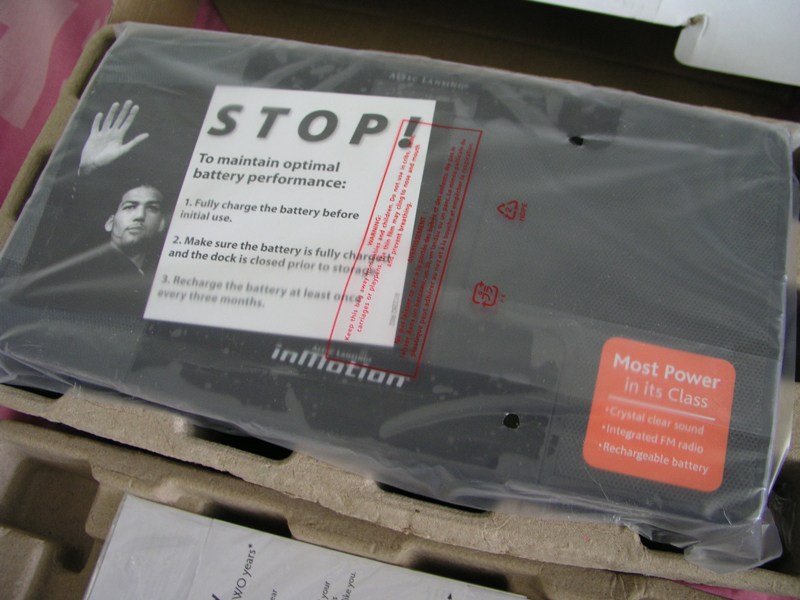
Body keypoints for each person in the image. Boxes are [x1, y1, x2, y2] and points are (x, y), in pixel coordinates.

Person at [6, 100, 167, 314]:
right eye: (130, 207)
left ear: (162, 224)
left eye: (152, 208)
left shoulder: (157, 279)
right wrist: (88, 171)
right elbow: (71, 219)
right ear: (110, 222)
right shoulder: (76, 264)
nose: (140, 215)